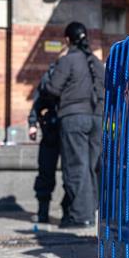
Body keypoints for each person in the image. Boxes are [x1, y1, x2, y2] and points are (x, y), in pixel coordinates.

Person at [45, 22, 104, 229]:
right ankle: (92, 211)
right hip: (98, 118)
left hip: (74, 118)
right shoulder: (96, 62)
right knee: (91, 167)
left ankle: (80, 216)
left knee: (75, 167)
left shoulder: (68, 60)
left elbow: (52, 89)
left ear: (67, 40)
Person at [28, 61, 71, 224]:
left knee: (70, 174)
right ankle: (44, 212)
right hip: (52, 130)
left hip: (67, 130)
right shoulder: (50, 77)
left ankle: (67, 211)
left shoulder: (71, 76)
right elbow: (38, 102)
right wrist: (32, 123)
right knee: (47, 172)